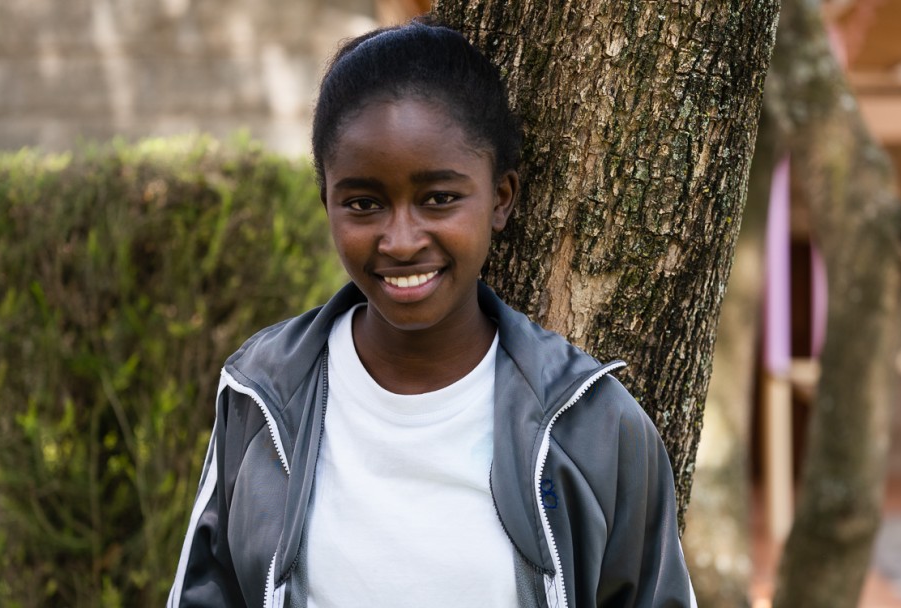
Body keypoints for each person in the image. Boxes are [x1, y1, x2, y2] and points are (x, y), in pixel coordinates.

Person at [168, 17, 695, 608]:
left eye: (439, 198)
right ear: (328, 205)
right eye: (364, 203)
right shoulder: (263, 394)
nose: (400, 239)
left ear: (500, 198)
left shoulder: (594, 426)